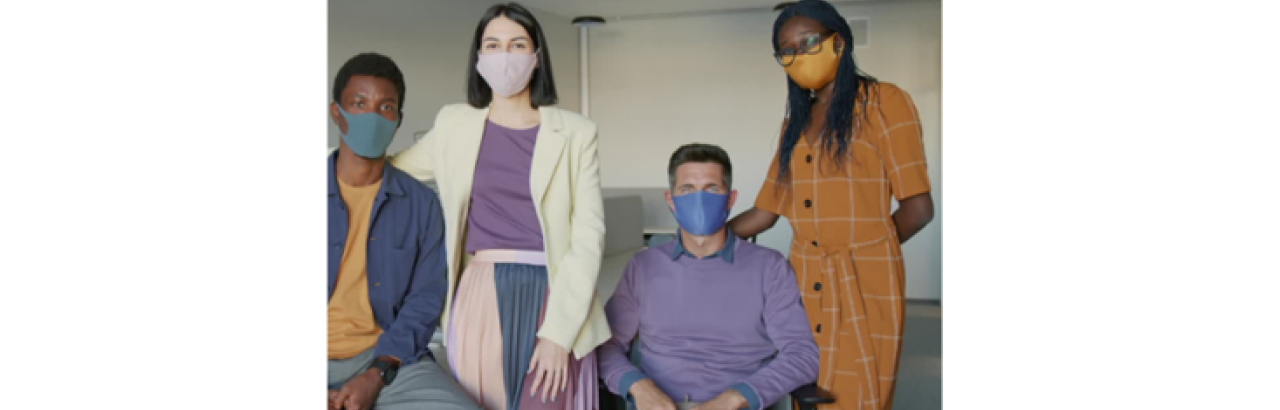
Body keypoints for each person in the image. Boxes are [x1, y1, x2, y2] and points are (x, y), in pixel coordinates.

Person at [387, 3, 609, 410]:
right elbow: (390, 171)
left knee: (545, 401)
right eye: (493, 44)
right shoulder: (454, 123)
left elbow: (588, 237)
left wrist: (559, 334)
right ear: (478, 58)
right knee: (478, 402)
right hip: (479, 292)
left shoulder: (576, 132)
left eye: (517, 44)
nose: (504, 55)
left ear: (536, 57)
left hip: (555, 293)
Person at [726, 1, 936, 409]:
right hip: (803, 283)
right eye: (786, 50)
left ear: (838, 41)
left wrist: (870, 253)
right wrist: (707, 237)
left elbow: (918, 208)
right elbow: (765, 212)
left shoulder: (885, 102)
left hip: (865, 282)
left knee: (858, 395)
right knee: (806, 389)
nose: (798, 55)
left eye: (808, 42)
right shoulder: (795, 123)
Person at [598, 144, 819, 410]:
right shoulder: (643, 267)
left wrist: (736, 397)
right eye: (687, 189)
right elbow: (605, 345)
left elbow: (802, 354)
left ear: (730, 199)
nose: (699, 199)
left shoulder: (769, 267)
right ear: (671, 199)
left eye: (712, 189)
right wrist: (638, 386)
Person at [326, 53, 479, 410]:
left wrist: (377, 373)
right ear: (337, 113)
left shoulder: (421, 204)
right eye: (359, 104)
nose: (372, 117)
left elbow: (425, 299)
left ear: (397, 120)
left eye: (385, 107)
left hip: (383, 357)